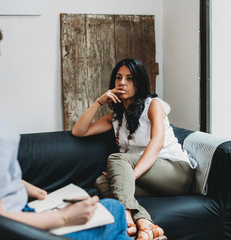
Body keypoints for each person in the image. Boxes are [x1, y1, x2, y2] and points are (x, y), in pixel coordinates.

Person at [0, 13, 131, 240]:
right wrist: (64, 217)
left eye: (129, 79)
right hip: (16, 228)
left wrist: (19, 184)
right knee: (114, 210)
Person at [72, 59, 197, 240]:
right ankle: (146, 224)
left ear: (139, 83)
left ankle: (125, 217)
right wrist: (99, 102)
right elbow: (79, 131)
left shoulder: (153, 105)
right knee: (102, 182)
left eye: (129, 78)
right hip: (151, 179)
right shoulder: (116, 117)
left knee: (117, 159)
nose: (122, 82)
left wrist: (131, 174)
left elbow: (157, 143)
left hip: (176, 172)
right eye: (118, 78)